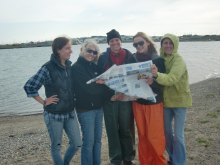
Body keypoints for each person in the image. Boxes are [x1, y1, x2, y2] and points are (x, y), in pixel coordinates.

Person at [23, 37, 81, 165]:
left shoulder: (69, 66)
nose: (71, 51)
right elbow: (29, 86)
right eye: (67, 48)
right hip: (53, 114)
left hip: (70, 113)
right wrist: (43, 102)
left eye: (71, 48)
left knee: (77, 144)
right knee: (56, 148)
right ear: (58, 50)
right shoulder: (47, 68)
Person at [71, 39, 115, 165]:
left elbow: (104, 83)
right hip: (85, 110)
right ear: (82, 50)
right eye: (89, 51)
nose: (91, 54)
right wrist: (100, 84)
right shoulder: (76, 68)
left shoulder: (95, 67)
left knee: (98, 141)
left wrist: (108, 91)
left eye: (94, 52)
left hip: (98, 108)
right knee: (88, 142)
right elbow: (90, 88)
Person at [125, 32, 166, 165]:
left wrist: (153, 82)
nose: (138, 46)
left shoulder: (158, 60)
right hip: (138, 103)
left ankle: (158, 162)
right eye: (135, 44)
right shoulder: (131, 59)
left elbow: (164, 83)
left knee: (155, 136)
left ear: (148, 42)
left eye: (141, 43)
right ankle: (145, 162)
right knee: (142, 136)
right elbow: (126, 78)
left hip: (154, 103)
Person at [151, 33, 192, 165]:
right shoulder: (160, 58)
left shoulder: (178, 59)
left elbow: (172, 78)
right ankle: (172, 157)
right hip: (166, 102)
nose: (168, 46)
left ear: (175, 45)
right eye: (165, 43)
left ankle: (179, 162)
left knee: (178, 136)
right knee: (167, 132)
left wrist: (156, 75)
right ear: (162, 45)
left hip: (179, 101)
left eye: (170, 43)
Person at [97, 29, 136, 165]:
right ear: (109, 43)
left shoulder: (129, 54)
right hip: (110, 98)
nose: (114, 43)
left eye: (116, 40)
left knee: (126, 129)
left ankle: (128, 158)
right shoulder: (102, 57)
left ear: (120, 41)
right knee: (112, 130)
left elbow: (135, 76)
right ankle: (115, 159)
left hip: (125, 98)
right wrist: (108, 96)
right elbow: (98, 79)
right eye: (112, 40)